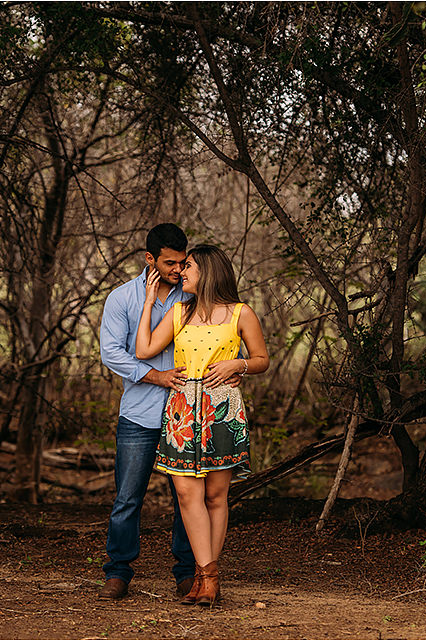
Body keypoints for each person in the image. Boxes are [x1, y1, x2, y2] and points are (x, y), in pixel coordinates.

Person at [135, 244, 269, 607]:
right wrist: (149, 301)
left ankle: (205, 578)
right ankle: (206, 574)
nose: (182, 272)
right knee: (185, 495)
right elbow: (144, 349)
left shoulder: (241, 313)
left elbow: (261, 359)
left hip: (221, 411)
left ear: (208, 271)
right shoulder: (179, 312)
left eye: (189, 266)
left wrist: (237, 365)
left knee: (215, 496)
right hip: (181, 411)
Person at [98, 223, 196, 600]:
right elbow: (112, 353)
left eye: (182, 262)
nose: (177, 270)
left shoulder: (192, 297)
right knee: (127, 497)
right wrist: (155, 376)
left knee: (187, 498)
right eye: (169, 263)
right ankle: (118, 571)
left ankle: (186, 572)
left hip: (185, 416)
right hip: (139, 415)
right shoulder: (122, 298)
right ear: (149, 259)